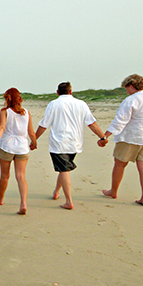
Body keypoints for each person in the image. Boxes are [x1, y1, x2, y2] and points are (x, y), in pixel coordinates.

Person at [35, 82, 107, 210]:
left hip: (59, 143)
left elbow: (44, 124)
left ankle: (69, 201)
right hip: (75, 143)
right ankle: (56, 192)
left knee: (64, 170)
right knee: (64, 168)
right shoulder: (81, 104)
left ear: (58, 92)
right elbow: (92, 123)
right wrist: (102, 137)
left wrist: (34, 139)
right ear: (71, 91)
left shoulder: (54, 104)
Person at [100, 74, 143, 207]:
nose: (126, 91)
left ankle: (113, 191)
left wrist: (105, 136)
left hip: (132, 137)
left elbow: (120, 121)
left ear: (131, 86)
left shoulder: (131, 100)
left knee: (119, 164)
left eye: (126, 88)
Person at [0, 88, 37, 215]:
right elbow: (31, 132)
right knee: (21, 176)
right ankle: (23, 203)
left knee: (5, 175)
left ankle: (0, 199)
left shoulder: (5, 111)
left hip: (7, 146)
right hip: (22, 147)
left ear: (7, 98)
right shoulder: (26, 113)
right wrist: (34, 143)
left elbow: (1, 127)